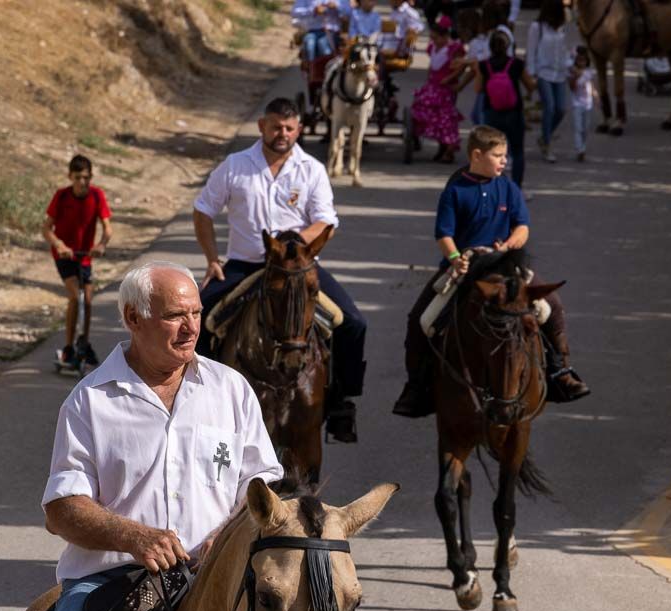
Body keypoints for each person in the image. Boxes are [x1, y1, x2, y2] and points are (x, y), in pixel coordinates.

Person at [14, 262, 284, 611]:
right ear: (134, 318)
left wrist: (227, 538)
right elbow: (62, 509)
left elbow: (264, 492)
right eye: (174, 316)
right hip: (112, 584)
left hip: (218, 580)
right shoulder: (90, 401)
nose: (190, 328)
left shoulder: (231, 390)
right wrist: (135, 537)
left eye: (195, 313)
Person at [193, 96, 367, 443]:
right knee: (197, 322)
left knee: (353, 323)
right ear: (262, 126)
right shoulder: (235, 165)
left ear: (298, 129)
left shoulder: (312, 170)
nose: (282, 133)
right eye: (275, 126)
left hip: (296, 270)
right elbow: (202, 211)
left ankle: (341, 405)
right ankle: (195, 403)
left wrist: (293, 246)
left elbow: (325, 220)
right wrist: (212, 259)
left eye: (289, 128)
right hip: (245, 265)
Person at [392, 125, 589, 417]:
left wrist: (509, 245)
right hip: (465, 267)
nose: (503, 161)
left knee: (554, 308)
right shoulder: (456, 190)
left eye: (505, 155)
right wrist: (456, 257)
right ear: (476, 154)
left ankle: (561, 372)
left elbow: (522, 227)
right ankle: (416, 386)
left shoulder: (508, 188)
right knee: (421, 319)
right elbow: (443, 234)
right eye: (497, 155)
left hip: (505, 265)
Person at [42, 155, 112, 366]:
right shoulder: (62, 196)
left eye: (87, 177)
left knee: (88, 300)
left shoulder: (97, 196)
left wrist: (101, 245)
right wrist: (59, 245)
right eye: (79, 177)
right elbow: (46, 228)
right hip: (65, 255)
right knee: (75, 296)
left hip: (84, 256)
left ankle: (84, 342)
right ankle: (68, 346)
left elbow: (108, 227)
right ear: (70, 176)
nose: (83, 182)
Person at [476, 29, 535, 187]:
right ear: (508, 45)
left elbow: (478, 88)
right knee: (517, 152)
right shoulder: (516, 64)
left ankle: (493, 187)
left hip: (491, 112)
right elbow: (530, 85)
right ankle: (516, 188)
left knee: (492, 152)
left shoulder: (484, 65)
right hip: (513, 113)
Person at [410, 15, 467, 163]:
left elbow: (462, 66)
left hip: (446, 90)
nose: (433, 41)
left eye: (436, 38)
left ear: (445, 36)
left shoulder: (454, 49)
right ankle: (428, 141)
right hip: (433, 86)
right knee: (421, 108)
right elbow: (432, 65)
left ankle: (448, 149)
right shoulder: (433, 48)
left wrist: (449, 78)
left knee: (445, 118)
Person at [526, 0, 571, 163]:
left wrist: (569, 67)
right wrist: (531, 75)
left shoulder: (561, 28)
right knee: (549, 107)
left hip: (559, 74)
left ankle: (546, 135)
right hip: (543, 73)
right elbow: (531, 51)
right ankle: (547, 144)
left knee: (560, 109)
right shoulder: (536, 28)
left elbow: (563, 51)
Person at [457, 8, 488, 124]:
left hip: (486, 83)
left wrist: (460, 85)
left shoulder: (475, 43)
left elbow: (472, 69)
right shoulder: (484, 38)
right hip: (488, 82)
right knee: (476, 115)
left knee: (479, 117)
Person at [569, 46, 597, 162]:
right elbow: (572, 88)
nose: (581, 62)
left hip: (588, 104)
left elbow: (591, 85)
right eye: (579, 60)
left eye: (584, 60)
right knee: (578, 128)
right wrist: (575, 77)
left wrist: (596, 96)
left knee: (585, 128)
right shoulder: (573, 74)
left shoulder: (589, 72)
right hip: (577, 104)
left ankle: (583, 147)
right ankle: (579, 149)